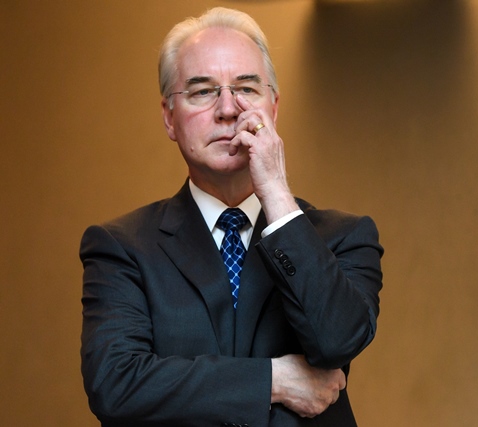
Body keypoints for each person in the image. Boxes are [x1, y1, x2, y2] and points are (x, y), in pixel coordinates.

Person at [80, 7, 383, 427]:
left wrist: (275, 191)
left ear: (273, 109)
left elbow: (337, 342)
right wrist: (271, 380)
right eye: (202, 91)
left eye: (246, 88)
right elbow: (116, 384)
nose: (227, 109)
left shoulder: (344, 236)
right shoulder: (122, 247)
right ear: (169, 116)